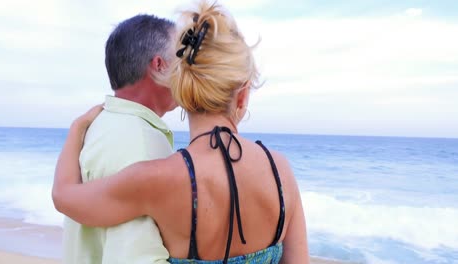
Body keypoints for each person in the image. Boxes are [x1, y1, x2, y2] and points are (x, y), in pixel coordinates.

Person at [54, 1, 309, 263]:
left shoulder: (156, 178)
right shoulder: (281, 173)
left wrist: (77, 130)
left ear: (183, 89)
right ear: (242, 95)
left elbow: (64, 197)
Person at [62, 14, 177, 264]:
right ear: (159, 65)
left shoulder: (96, 127)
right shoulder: (143, 145)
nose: (188, 69)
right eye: (181, 57)